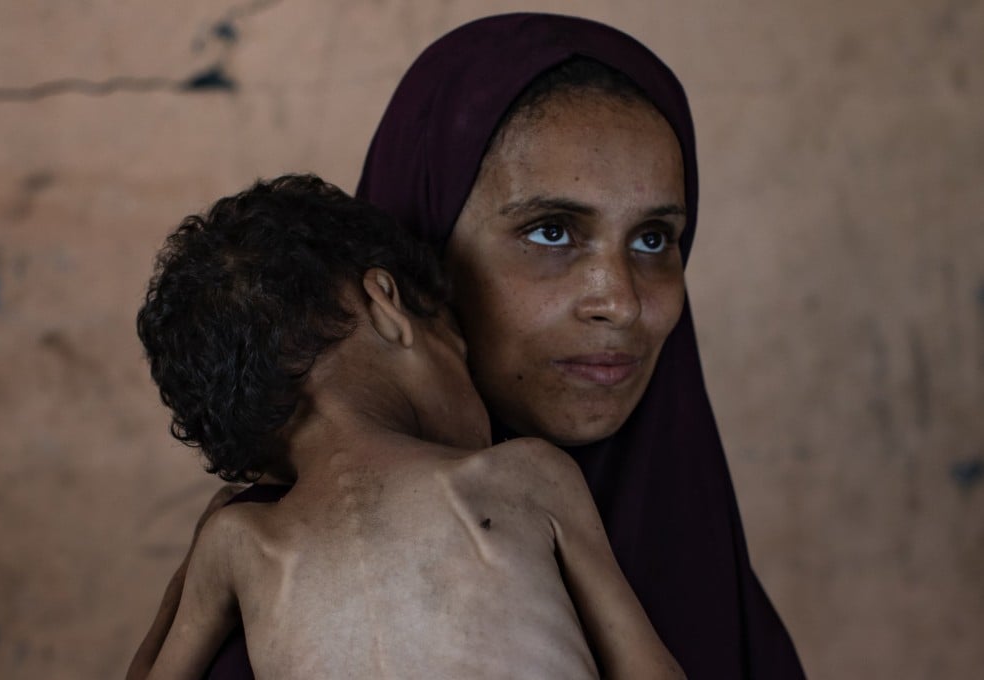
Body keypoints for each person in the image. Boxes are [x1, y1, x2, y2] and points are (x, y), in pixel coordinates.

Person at [129, 13, 805, 680]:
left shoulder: (704, 558)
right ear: (416, 271)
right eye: (550, 231)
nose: (621, 300)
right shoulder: (262, 610)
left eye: (656, 239)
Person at [134, 173, 685, 680]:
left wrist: (203, 545)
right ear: (387, 305)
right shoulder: (527, 475)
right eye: (458, 347)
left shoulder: (239, 541)